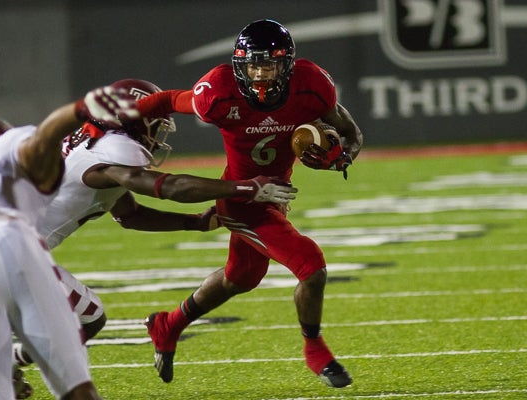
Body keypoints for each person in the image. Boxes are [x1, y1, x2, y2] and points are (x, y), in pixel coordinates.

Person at [0, 79, 297, 397]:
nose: (159, 129)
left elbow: (128, 213)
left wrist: (195, 224)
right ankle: (12, 360)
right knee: (89, 318)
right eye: (153, 120)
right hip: (17, 248)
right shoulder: (116, 149)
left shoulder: (91, 146)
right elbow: (169, 185)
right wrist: (244, 188)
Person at [128, 19, 364, 388]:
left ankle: (167, 325)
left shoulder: (312, 86)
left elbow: (352, 134)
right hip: (241, 200)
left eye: (268, 64)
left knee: (241, 278)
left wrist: (342, 158)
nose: (259, 72)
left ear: (287, 66)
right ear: (239, 64)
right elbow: (169, 100)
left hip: (275, 194)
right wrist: (121, 118)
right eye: (252, 64)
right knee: (311, 266)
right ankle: (315, 348)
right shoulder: (218, 92)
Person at [0, 83, 141, 399]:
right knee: (77, 387)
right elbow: (44, 136)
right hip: (11, 240)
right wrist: (79, 109)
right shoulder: (5, 146)